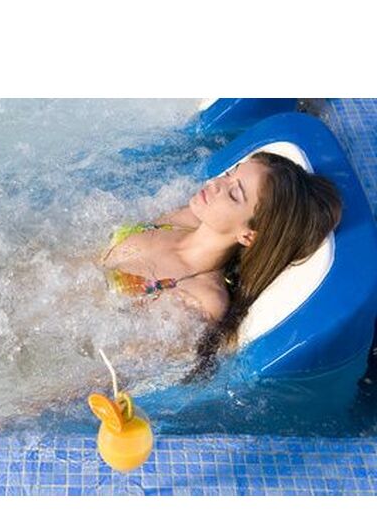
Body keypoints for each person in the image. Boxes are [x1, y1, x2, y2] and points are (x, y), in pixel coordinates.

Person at [99, 151, 343, 381]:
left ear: (248, 235)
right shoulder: (184, 218)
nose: (216, 183)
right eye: (229, 174)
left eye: (234, 194)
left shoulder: (203, 297)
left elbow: (130, 362)